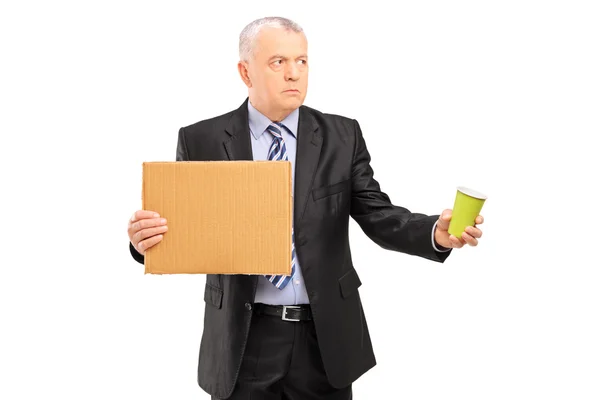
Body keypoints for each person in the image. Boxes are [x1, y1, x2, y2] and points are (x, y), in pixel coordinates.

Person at [127, 16, 484, 400]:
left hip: (324, 338)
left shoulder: (342, 135)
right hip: (243, 336)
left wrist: (435, 232)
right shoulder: (202, 139)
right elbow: (188, 229)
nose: (294, 74)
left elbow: (377, 214)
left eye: (302, 61)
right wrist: (144, 241)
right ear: (245, 72)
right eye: (278, 62)